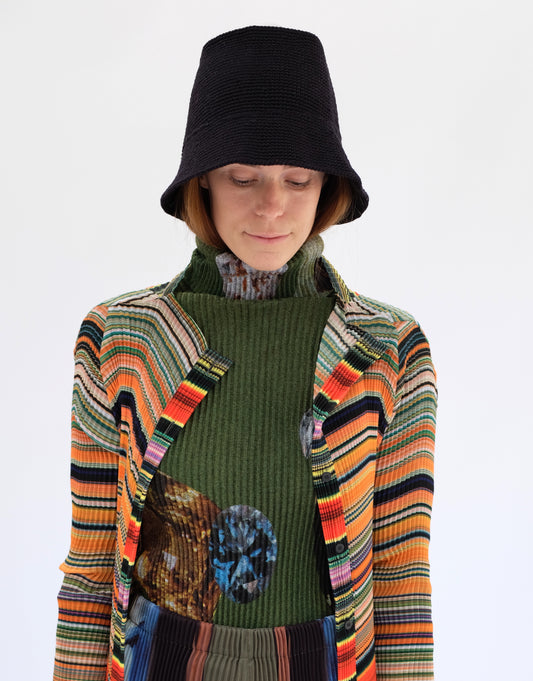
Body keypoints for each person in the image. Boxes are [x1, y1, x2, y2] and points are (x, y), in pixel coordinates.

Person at [54, 26, 437, 681]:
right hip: (157, 659)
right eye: (243, 177)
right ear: (202, 181)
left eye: (298, 178)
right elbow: (91, 569)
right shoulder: (118, 338)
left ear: (326, 186)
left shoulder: (388, 349)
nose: (272, 205)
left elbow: (401, 580)